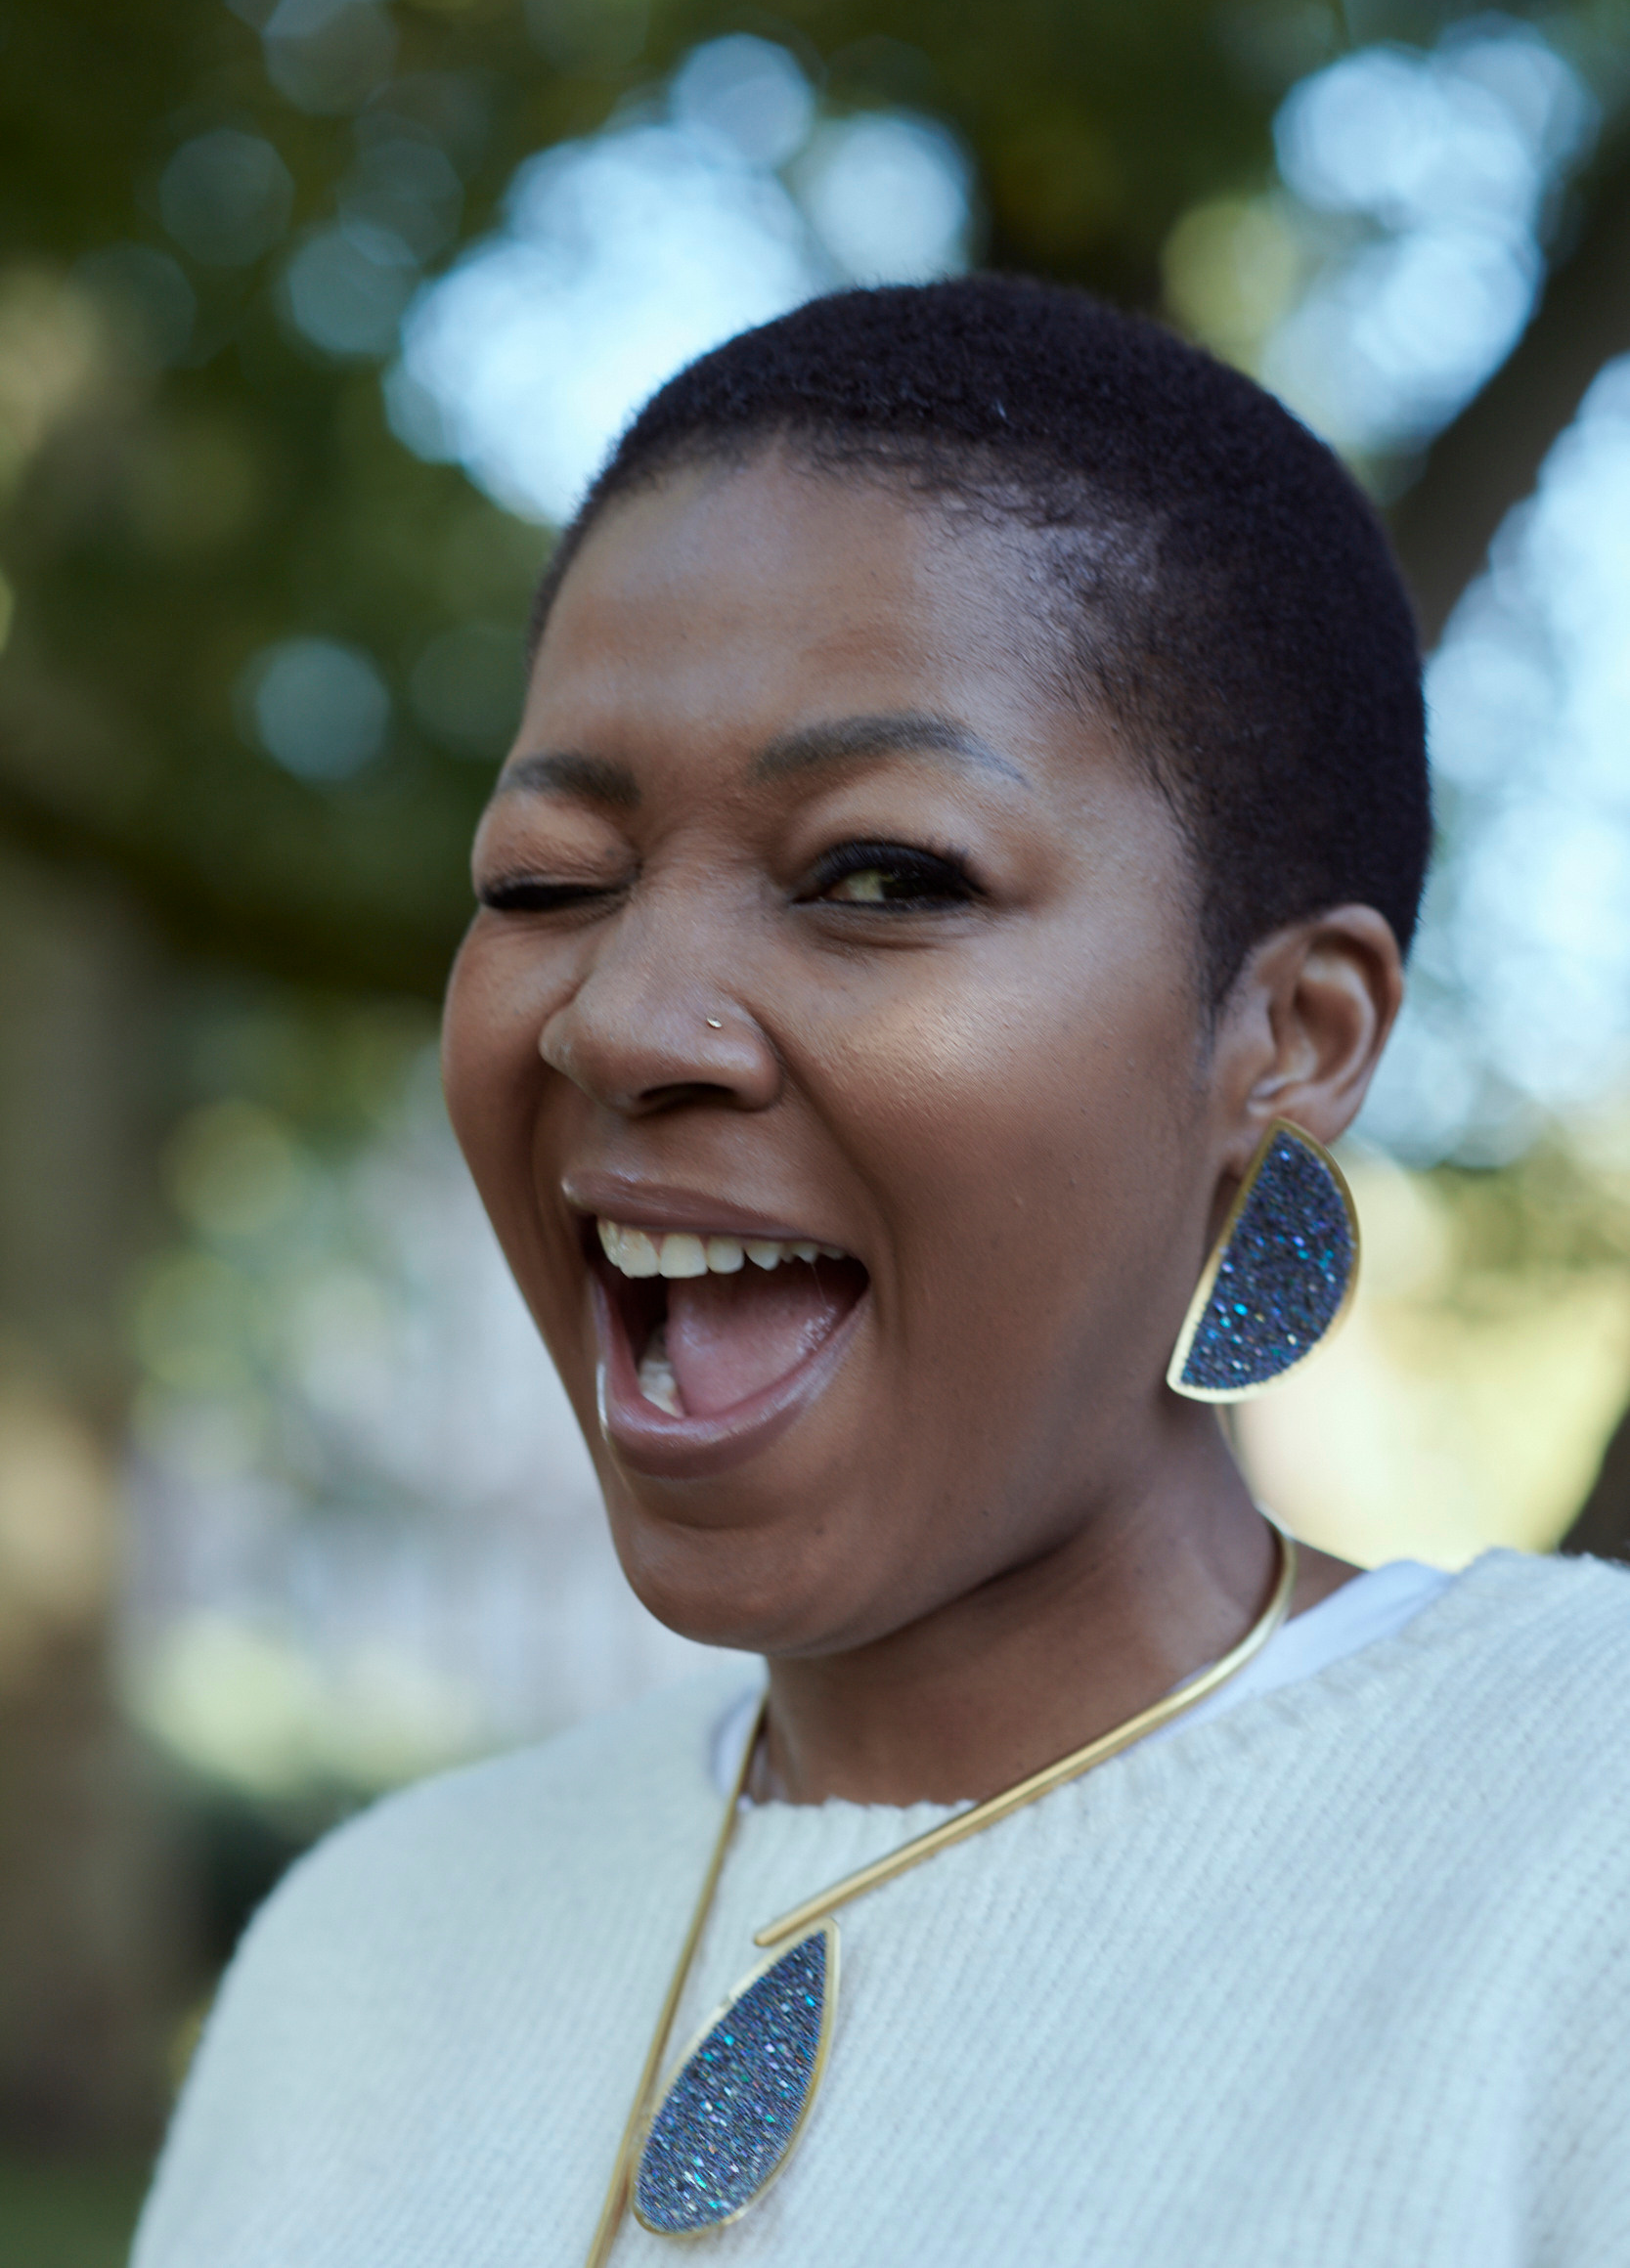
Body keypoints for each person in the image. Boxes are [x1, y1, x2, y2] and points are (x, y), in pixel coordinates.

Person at [133, 279, 1630, 2267]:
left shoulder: (1577, 1851)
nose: (622, 1017)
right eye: (547, 881)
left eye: (881, 877)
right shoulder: (362, 1951)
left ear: (1290, 1035)